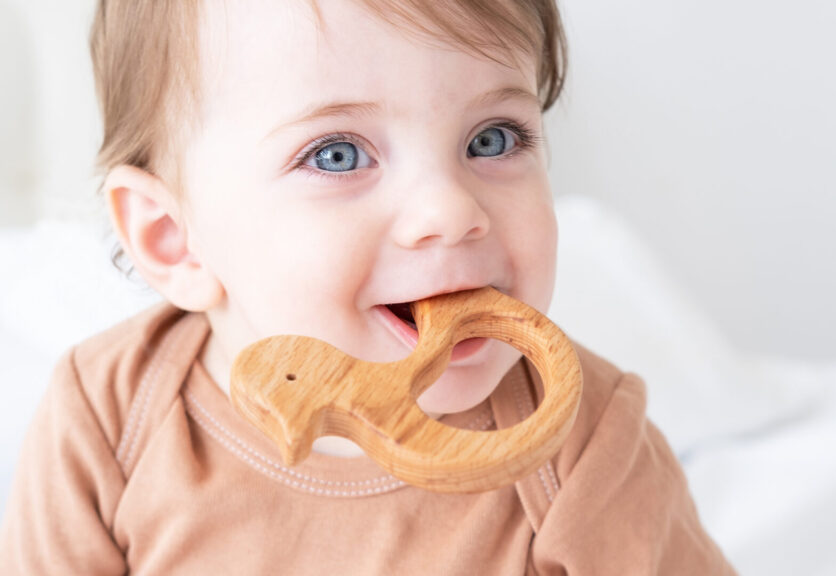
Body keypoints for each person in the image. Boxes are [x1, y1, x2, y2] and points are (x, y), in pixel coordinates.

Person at [0, 0, 735, 573]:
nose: (450, 211)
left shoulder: (586, 446)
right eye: (338, 154)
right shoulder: (108, 419)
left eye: (492, 139)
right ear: (174, 238)